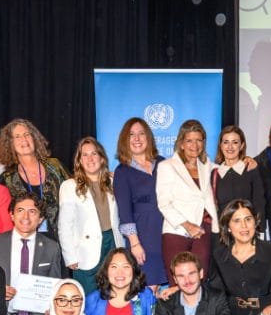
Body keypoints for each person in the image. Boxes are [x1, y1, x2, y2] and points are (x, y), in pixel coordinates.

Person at [0, 194, 63, 315]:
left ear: (40, 218)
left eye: (32, 212)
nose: (25, 217)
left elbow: (56, 287)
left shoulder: (52, 247)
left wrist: (52, 307)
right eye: (20, 211)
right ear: (11, 215)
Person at [156, 119, 218, 284]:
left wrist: (246, 160)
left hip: (203, 231)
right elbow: (164, 203)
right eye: (189, 140)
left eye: (199, 140)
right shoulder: (166, 166)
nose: (195, 145)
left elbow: (228, 169)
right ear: (181, 143)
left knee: (200, 281)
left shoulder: (207, 166)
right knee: (178, 283)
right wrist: (187, 225)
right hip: (176, 231)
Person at [58, 137, 123, 294]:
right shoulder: (69, 186)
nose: (90, 158)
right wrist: (70, 256)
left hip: (113, 243)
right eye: (84, 155)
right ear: (79, 160)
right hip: (85, 252)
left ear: (101, 158)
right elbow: (65, 225)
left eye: (94, 153)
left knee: (113, 295)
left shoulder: (114, 182)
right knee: (89, 298)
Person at [114, 117, 168, 288]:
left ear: (148, 137)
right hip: (144, 238)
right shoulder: (122, 171)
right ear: (125, 140)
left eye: (141, 134)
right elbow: (124, 211)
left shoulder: (162, 163)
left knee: (168, 288)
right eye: (131, 135)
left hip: (168, 233)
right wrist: (135, 244)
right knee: (149, 288)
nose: (137, 139)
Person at [0, 118, 69, 235]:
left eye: (27, 134)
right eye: (17, 136)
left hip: (62, 239)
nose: (23, 139)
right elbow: (7, 216)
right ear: (10, 144)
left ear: (34, 138)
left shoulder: (55, 166)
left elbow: (76, 192)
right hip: (27, 242)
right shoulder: (6, 179)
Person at [212, 125, 266, 225]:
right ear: (221, 145)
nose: (230, 147)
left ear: (241, 146)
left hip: (245, 232)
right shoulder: (214, 173)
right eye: (226, 142)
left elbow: (259, 203)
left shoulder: (251, 169)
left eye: (235, 142)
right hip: (221, 232)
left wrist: (259, 228)